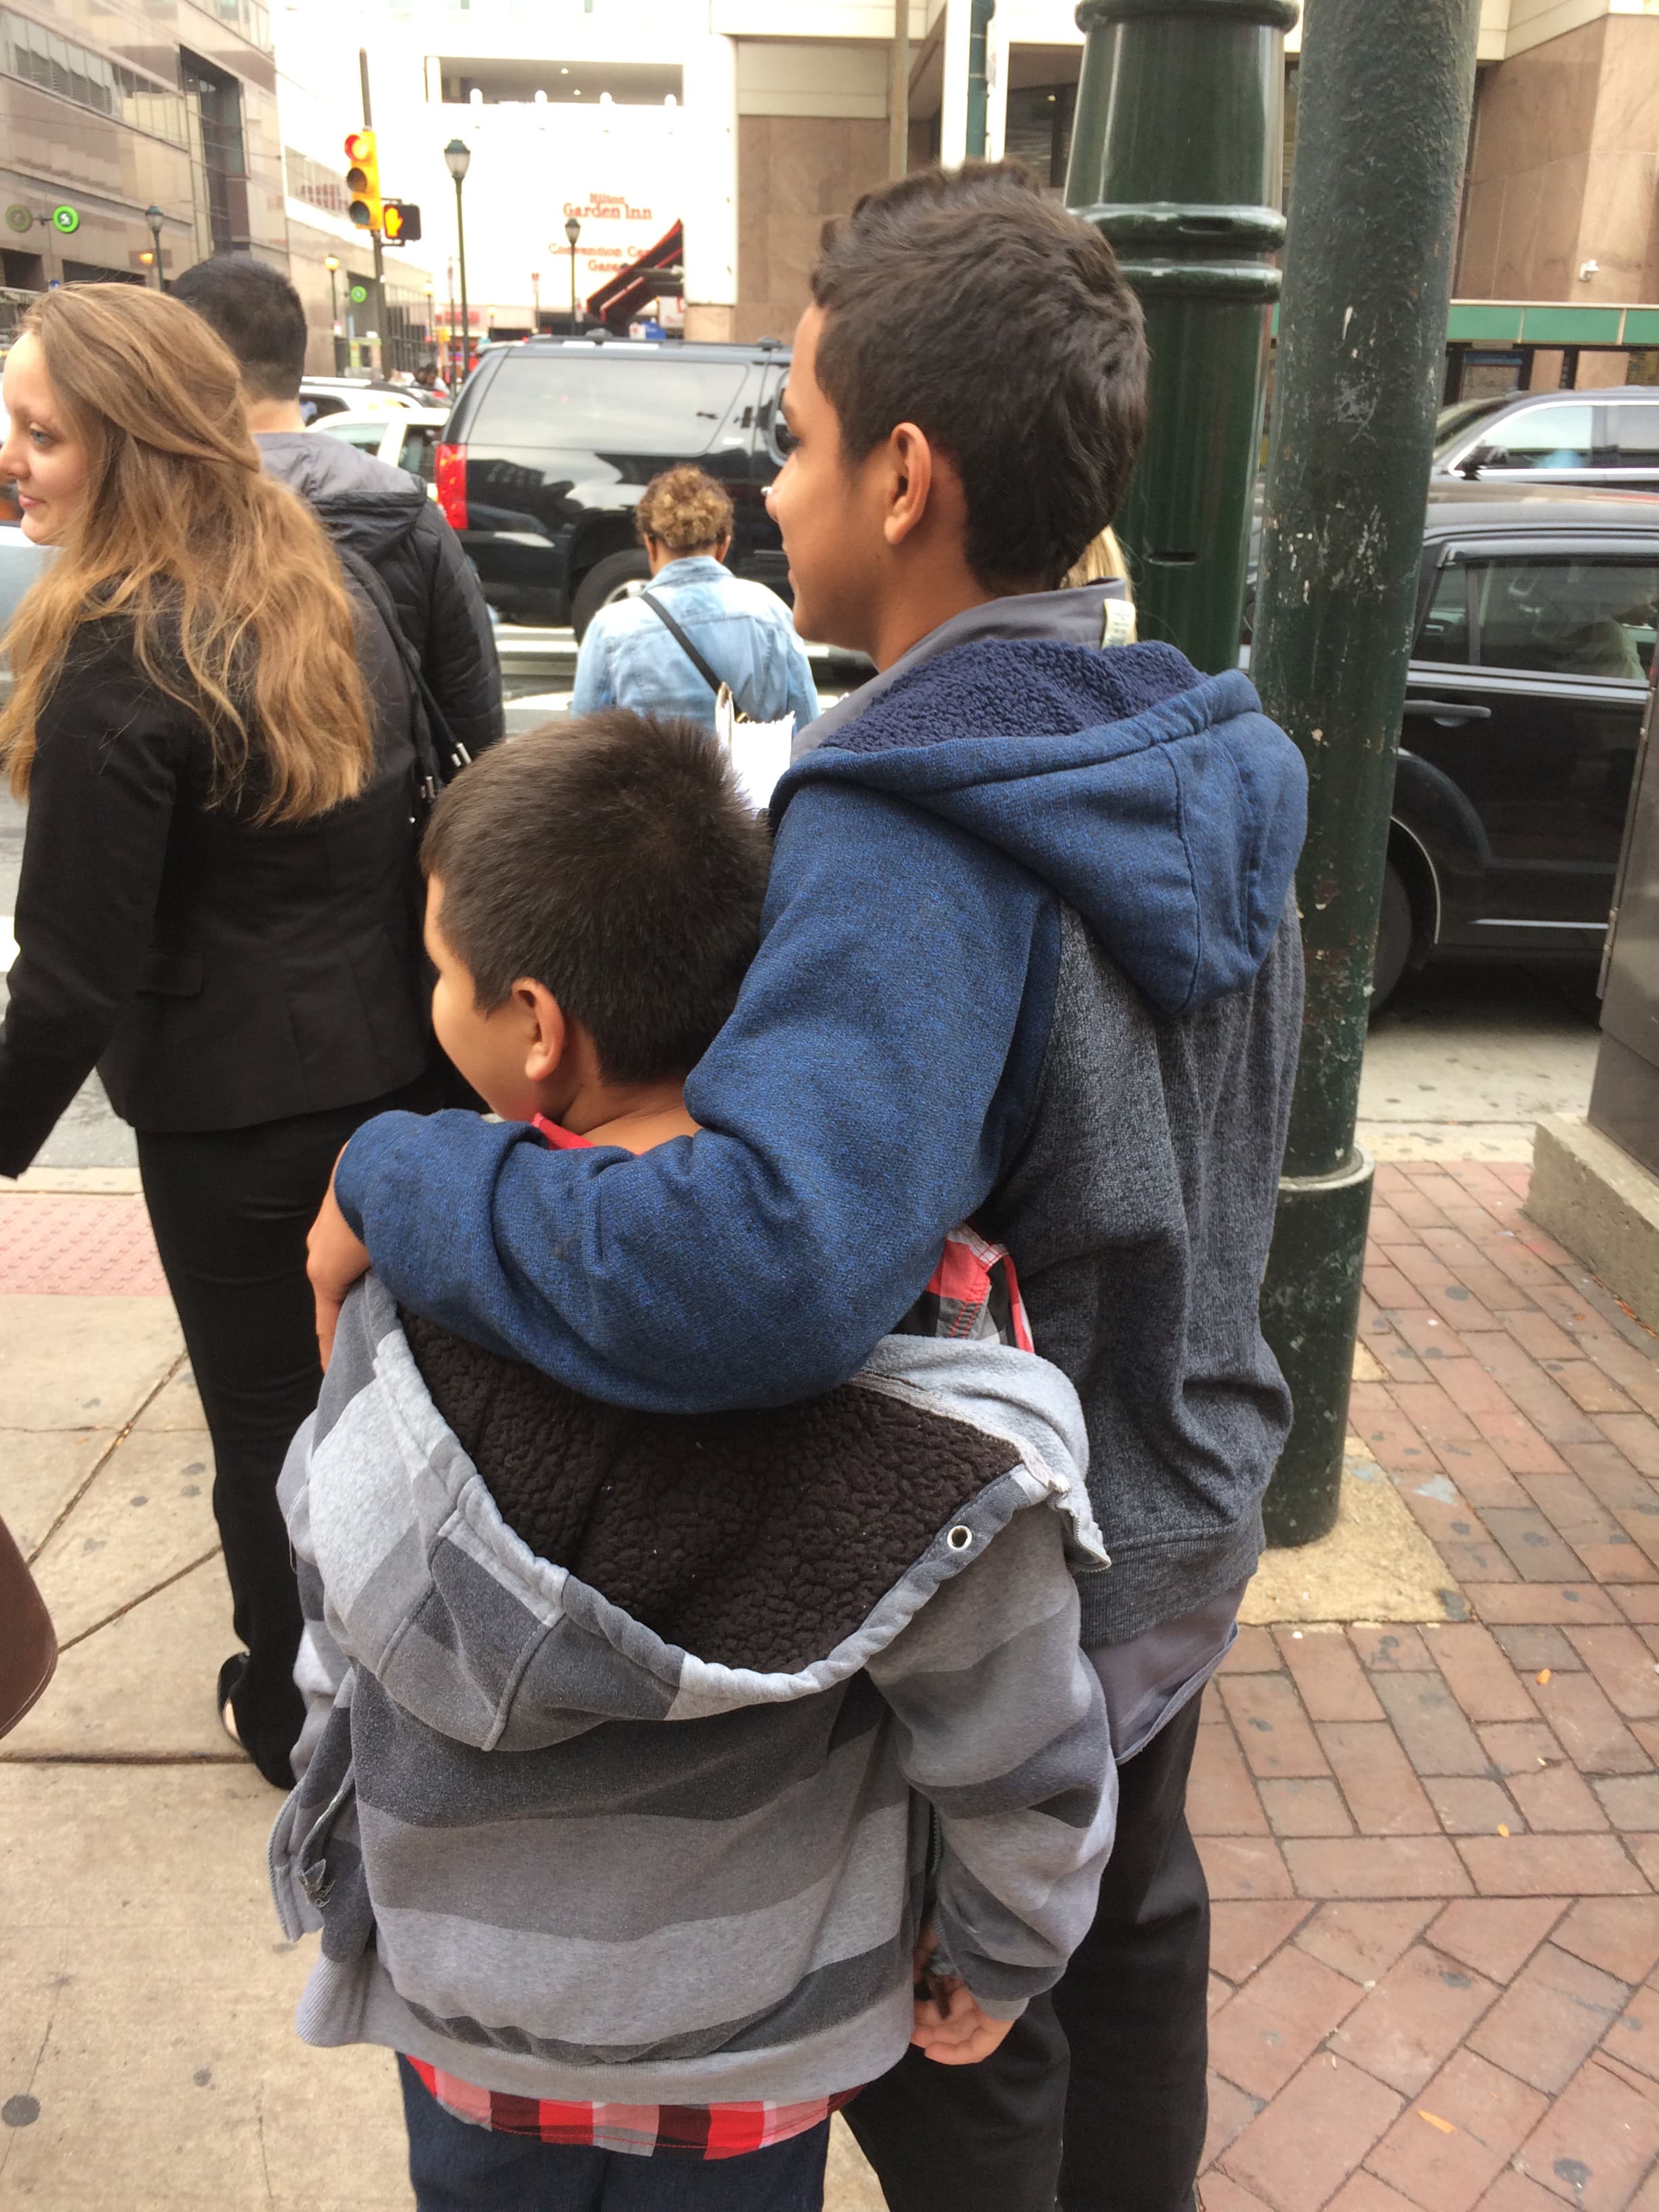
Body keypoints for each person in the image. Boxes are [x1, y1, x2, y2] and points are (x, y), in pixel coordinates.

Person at [307, 163, 1309, 2212]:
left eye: (805, 438)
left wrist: (411, 1170)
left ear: (910, 474)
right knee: (1126, 1969)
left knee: (971, 2054)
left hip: (1011, 1570)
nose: (773, 489)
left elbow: (759, 1268)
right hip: (1182, 1514)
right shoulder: (1193, 744)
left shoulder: (915, 826)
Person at [274, 714, 1115, 2212]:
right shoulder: (910, 1316)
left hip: (476, 2020)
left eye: (438, 973)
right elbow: (1012, 1721)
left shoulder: (411, 1291)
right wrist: (1004, 1945)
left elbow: (338, 1604)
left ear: (536, 1025)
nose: (430, 1002)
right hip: (758, 2048)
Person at [0, 283, 447, 1792]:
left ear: (131, 445)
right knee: (382, 1402)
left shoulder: (123, 653)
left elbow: (64, 976)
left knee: (270, 1425)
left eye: (42, 432)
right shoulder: (325, 582)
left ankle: (297, 1710)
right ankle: (410, 1673)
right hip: (395, 1073)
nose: (16, 459)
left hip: (235, 1124)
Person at [169, 254, 501, 767]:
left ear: (187, 366)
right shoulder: (411, 516)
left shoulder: (164, 518)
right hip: (392, 831)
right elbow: (473, 719)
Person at [571, 465, 819, 731]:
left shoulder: (611, 629)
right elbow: (807, 724)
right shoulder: (770, 612)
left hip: (654, 773)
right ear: (724, 545)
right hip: (750, 773)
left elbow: (584, 744)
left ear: (650, 544)